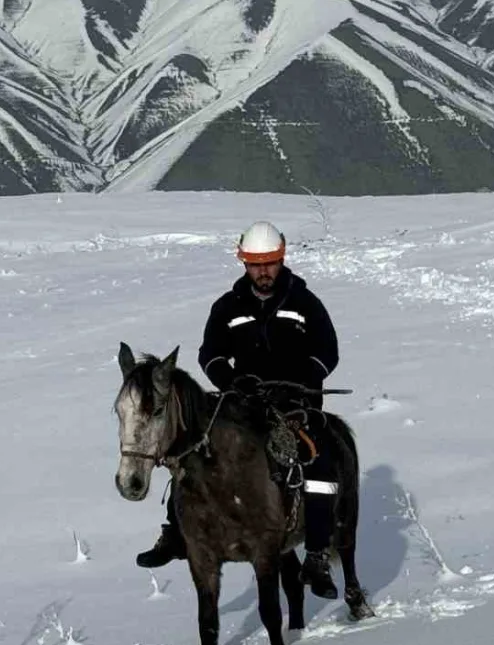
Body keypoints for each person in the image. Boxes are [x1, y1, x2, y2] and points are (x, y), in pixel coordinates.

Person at [134, 220, 342, 600]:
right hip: (241, 404)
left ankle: (315, 554)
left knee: (322, 463)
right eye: (255, 264)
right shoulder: (227, 306)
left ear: (282, 259)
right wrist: (231, 381)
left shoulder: (305, 303)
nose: (263, 272)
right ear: (243, 263)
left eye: (270, 263)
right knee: (190, 450)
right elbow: (209, 353)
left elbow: (327, 351)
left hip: (295, 405)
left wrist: (301, 380)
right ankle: (175, 534)